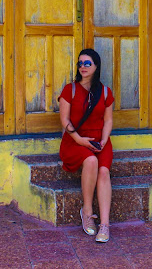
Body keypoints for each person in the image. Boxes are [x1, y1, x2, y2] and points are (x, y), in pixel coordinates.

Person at [58, 48, 114, 243]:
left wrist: (105, 139)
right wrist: (79, 140)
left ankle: (105, 225)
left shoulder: (105, 92)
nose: (83, 66)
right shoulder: (70, 89)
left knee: (104, 172)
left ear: (96, 66)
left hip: (100, 140)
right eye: (80, 63)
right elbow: (64, 120)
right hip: (75, 141)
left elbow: (108, 120)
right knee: (90, 161)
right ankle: (88, 212)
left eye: (87, 63)